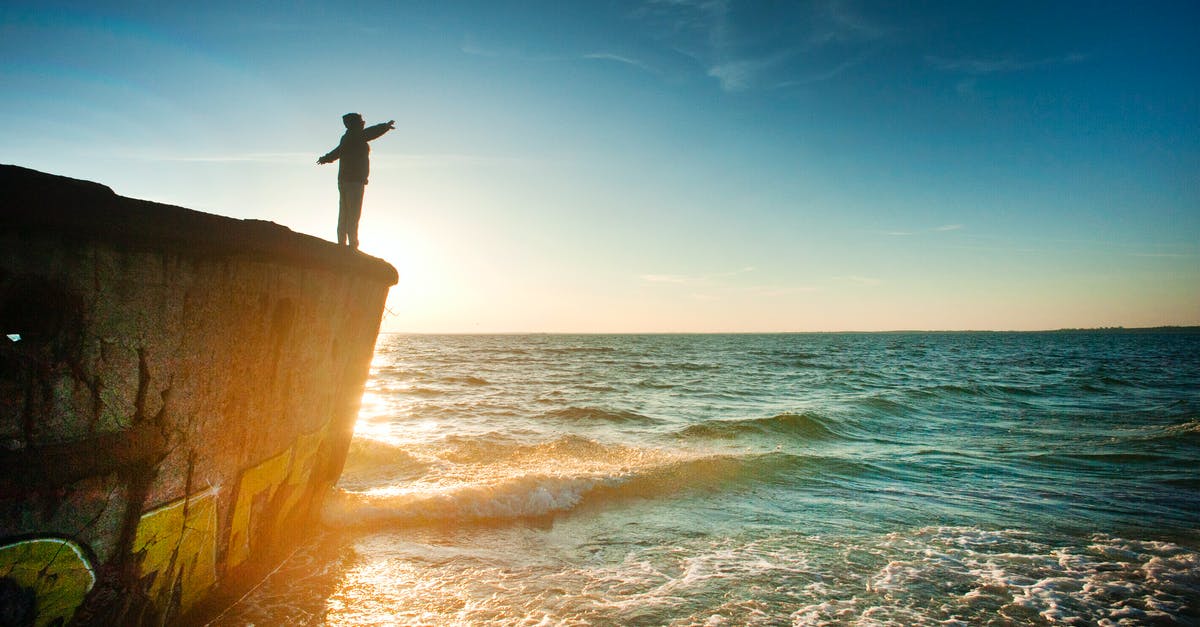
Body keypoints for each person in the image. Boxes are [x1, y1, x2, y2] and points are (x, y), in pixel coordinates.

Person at [317, 113, 395, 249]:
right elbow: (370, 133)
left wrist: (325, 158)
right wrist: (385, 127)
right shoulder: (356, 136)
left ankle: (342, 242)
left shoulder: (347, 138)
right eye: (360, 121)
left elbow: (337, 152)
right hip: (354, 181)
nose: (363, 122)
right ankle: (352, 244)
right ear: (355, 124)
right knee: (353, 213)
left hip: (345, 180)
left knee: (344, 212)